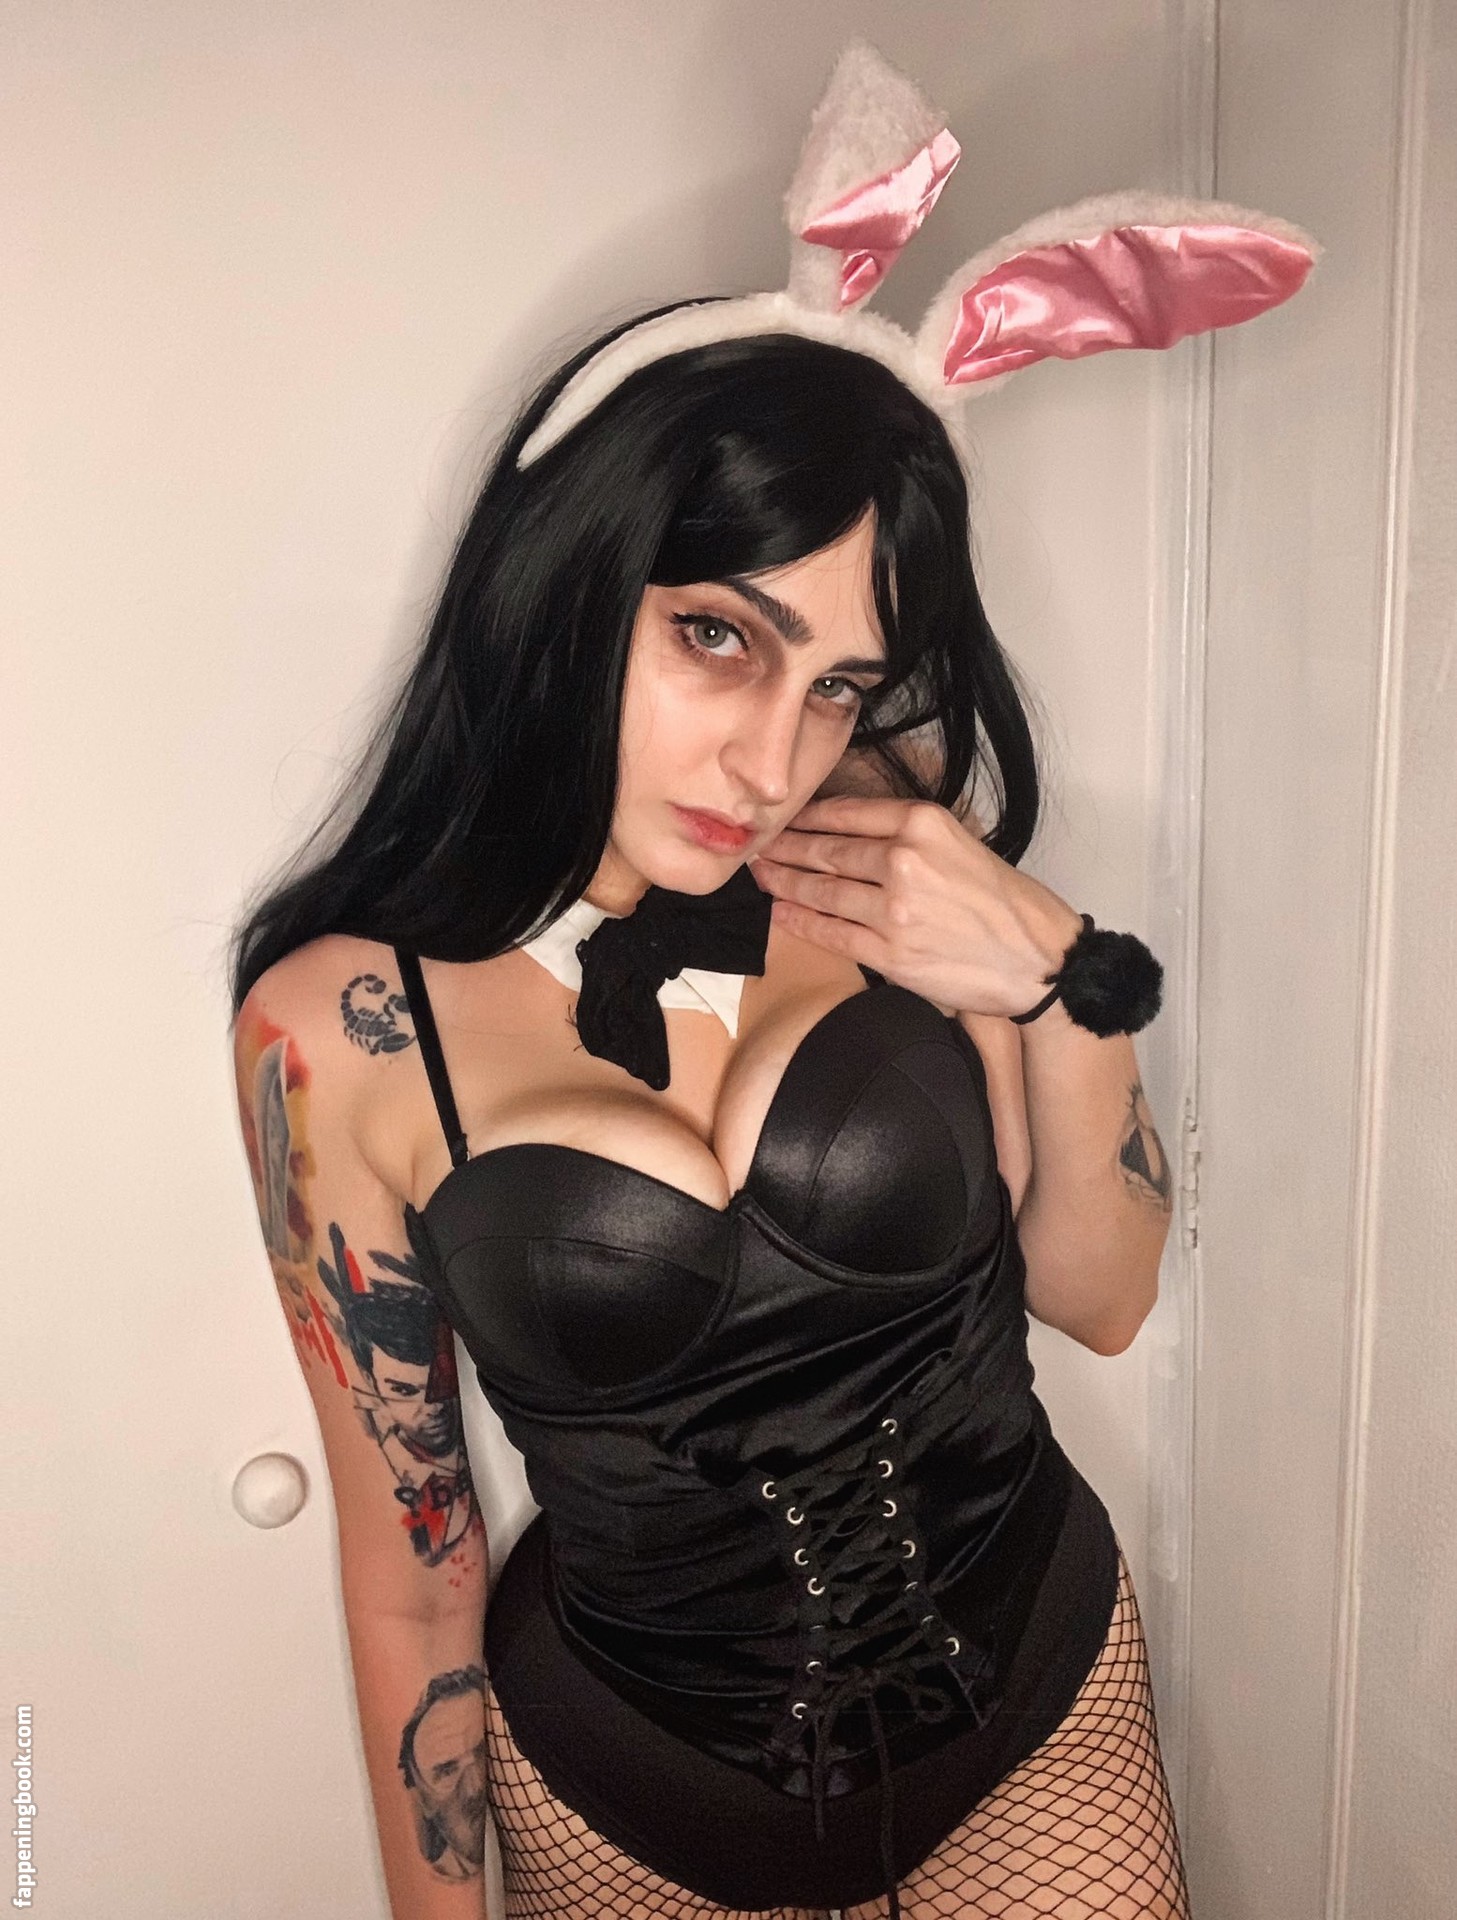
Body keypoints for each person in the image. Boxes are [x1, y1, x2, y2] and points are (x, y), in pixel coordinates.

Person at [229, 44, 1315, 1918]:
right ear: (567, 579)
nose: (771, 759)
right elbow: (411, 1575)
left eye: (835, 683)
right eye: (719, 638)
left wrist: (1056, 984)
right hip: (633, 1789)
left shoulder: (890, 846)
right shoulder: (337, 1033)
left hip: (1033, 1702)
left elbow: (1101, 1294)